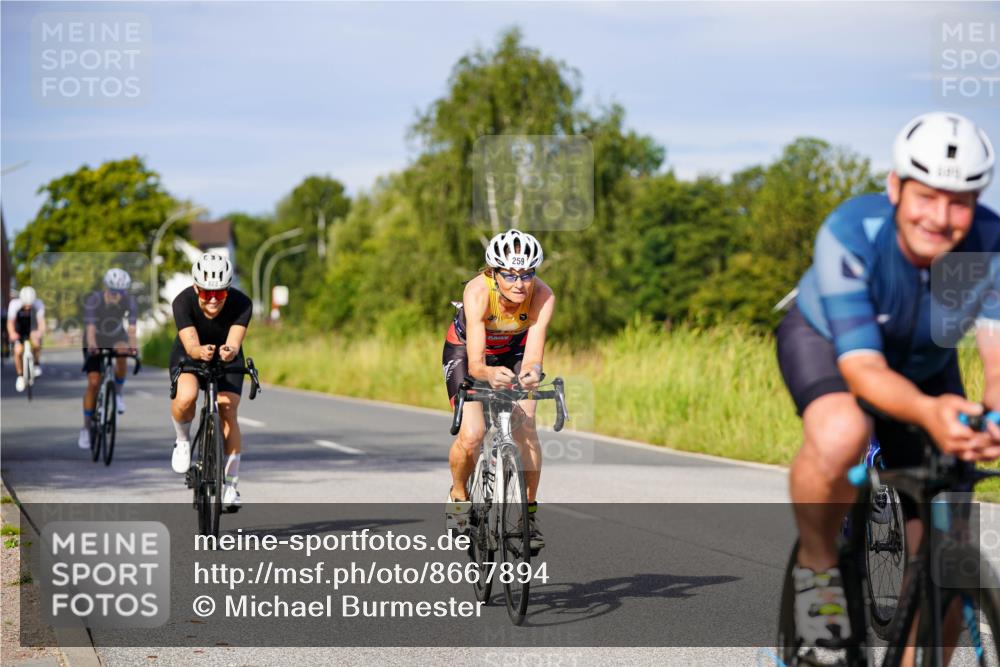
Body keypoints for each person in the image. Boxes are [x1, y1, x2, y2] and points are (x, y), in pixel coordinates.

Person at [777, 112, 999, 650]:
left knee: (948, 563)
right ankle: (816, 568)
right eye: (927, 196)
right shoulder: (853, 232)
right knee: (843, 432)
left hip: (923, 362)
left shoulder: (988, 244)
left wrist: (991, 421)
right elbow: (863, 371)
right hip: (830, 345)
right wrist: (929, 412)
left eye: (960, 202)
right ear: (895, 187)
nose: (941, 218)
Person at [443, 230, 556, 551]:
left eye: (528, 274)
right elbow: (478, 365)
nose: (520, 283)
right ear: (493, 273)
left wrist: (532, 375)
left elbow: (533, 356)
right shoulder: (477, 291)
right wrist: (490, 375)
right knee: (472, 435)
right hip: (468, 354)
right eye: (510, 275)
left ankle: (527, 517)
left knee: (527, 427)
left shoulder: (543, 296)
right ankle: (459, 497)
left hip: (513, 352)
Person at [169, 253, 252, 510]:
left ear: (228, 290)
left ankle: (230, 484)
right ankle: (182, 440)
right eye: (206, 294)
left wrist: (229, 350)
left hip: (226, 356)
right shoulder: (182, 302)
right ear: (196, 288)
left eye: (220, 293)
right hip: (190, 352)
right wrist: (197, 352)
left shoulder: (242, 303)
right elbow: (191, 344)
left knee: (227, 408)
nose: (213, 299)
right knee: (187, 397)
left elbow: (235, 340)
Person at [80, 268, 139, 449]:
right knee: (94, 382)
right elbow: (90, 328)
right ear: (106, 288)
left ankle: (118, 393)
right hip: (95, 337)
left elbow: (131, 328)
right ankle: (86, 427)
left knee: (123, 352)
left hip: (115, 336)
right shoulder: (94, 300)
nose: (117, 296)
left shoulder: (129, 301)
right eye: (113, 292)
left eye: (121, 292)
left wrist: (133, 346)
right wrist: (92, 345)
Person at [6, 286, 46, 392]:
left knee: (36, 342)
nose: (28, 307)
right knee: (18, 351)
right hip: (19, 329)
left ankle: (36, 364)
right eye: (26, 305)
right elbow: (10, 323)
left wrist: (40, 332)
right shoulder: (14, 304)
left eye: (30, 305)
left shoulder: (38, 304)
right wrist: (12, 333)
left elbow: (41, 323)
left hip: (32, 328)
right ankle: (20, 375)